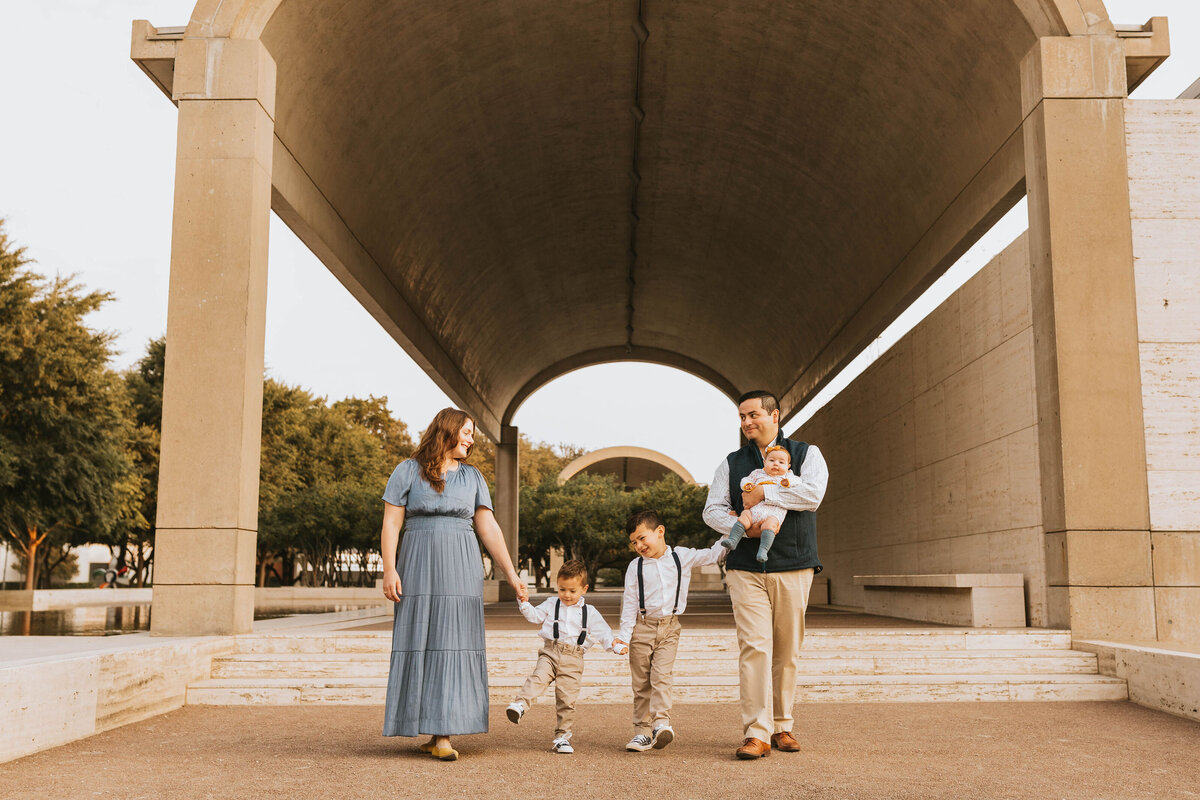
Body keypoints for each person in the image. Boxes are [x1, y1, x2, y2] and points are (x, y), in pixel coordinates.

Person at [379, 407, 528, 762]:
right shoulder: (406, 471)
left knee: (453, 640)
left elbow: (488, 529)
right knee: (421, 638)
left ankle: (443, 733)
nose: (471, 438)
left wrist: (511, 573)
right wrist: (389, 569)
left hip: (461, 566)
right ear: (446, 431)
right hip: (416, 563)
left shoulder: (473, 477)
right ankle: (431, 729)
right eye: (466, 431)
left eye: (473, 432)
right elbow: (390, 524)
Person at [702, 390, 828, 760]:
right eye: (742, 417)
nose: (746, 423)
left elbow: (813, 496)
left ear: (775, 414)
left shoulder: (808, 453)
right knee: (755, 647)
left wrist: (761, 493)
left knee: (787, 649)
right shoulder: (731, 462)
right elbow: (712, 510)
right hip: (744, 567)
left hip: (794, 563)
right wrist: (748, 528)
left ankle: (782, 726)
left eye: (753, 415)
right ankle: (756, 732)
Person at [612, 509, 728, 752]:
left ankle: (661, 724)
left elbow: (713, 554)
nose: (639, 546)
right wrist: (623, 637)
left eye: (643, 538)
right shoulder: (635, 567)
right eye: (634, 542)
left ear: (660, 531)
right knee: (641, 682)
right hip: (641, 629)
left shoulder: (681, 557)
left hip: (670, 627)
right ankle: (642, 732)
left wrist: (733, 526)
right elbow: (630, 602)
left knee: (661, 677)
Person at [505, 560, 617, 754]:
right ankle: (520, 705)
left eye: (572, 591)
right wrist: (523, 601)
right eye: (562, 589)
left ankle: (562, 737)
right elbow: (534, 616)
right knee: (537, 679)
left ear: (584, 589)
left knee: (566, 699)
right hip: (550, 652)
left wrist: (614, 646)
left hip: (574, 659)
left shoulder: (589, 612)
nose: (566, 595)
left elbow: (603, 633)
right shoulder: (551, 604)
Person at [719, 445, 796, 563]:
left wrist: (788, 482)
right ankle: (733, 540)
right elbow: (745, 479)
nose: (776, 464)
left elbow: (798, 482)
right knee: (744, 517)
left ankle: (763, 550)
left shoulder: (787, 476)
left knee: (769, 526)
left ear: (788, 466)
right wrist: (747, 485)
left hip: (774, 512)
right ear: (764, 462)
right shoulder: (757, 473)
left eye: (781, 462)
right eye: (771, 460)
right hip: (755, 508)